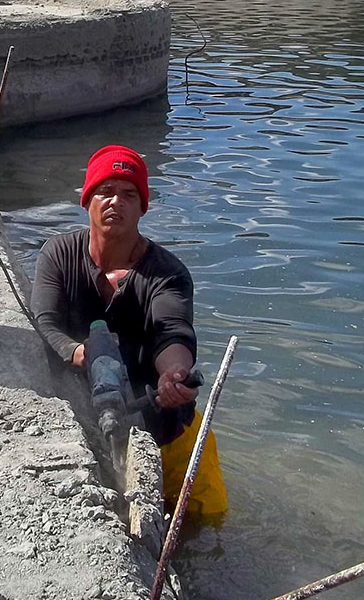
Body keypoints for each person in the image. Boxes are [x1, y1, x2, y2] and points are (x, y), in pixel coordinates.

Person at [31, 144, 227, 516]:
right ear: (87, 200)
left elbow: (173, 332)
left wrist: (174, 374)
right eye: (105, 191)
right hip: (91, 422)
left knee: (208, 524)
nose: (115, 202)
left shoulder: (167, 272)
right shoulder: (58, 254)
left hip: (168, 430)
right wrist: (81, 354)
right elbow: (45, 321)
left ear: (142, 208)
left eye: (128, 194)